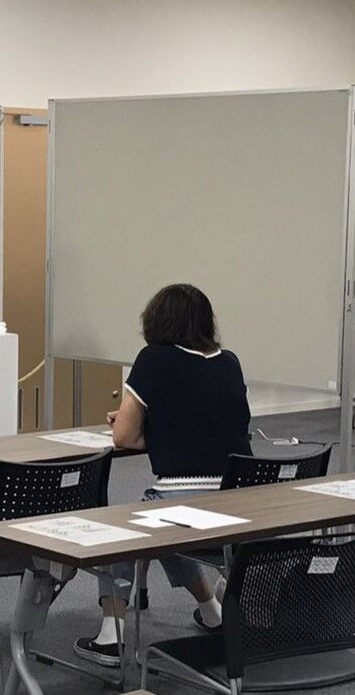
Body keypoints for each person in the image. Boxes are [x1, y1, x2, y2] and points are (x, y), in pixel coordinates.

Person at [74, 283, 251, 667]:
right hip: (237, 499)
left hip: (183, 498)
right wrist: (157, 426)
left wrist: (139, 425)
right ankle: (212, 612)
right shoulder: (229, 362)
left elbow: (123, 437)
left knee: (123, 528)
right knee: (164, 525)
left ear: (158, 321)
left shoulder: (153, 360)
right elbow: (215, 423)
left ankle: (110, 637)